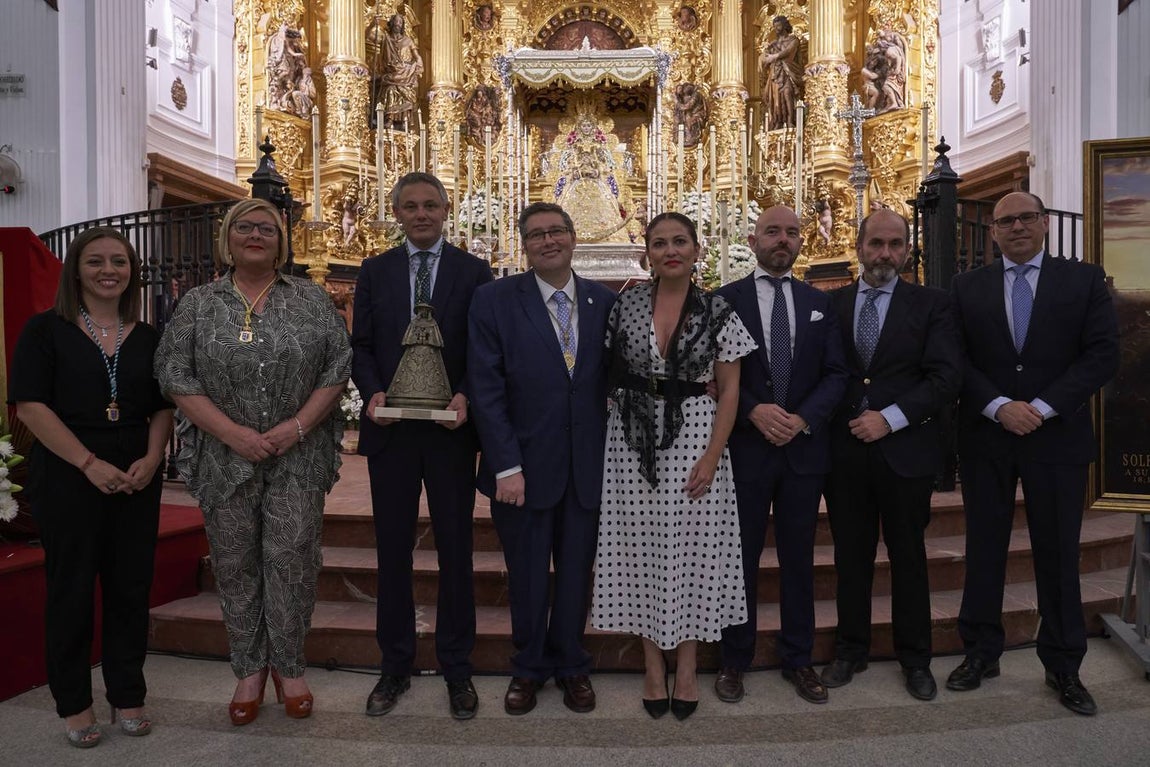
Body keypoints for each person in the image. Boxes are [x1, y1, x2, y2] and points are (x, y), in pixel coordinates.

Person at [154, 198, 351, 725]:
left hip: (297, 457)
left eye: (267, 227)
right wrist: (233, 434)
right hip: (225, 459)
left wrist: (297, 427)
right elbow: (175, 375)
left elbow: (337, 367)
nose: (256, 235)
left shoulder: (310, 299)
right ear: (228, 237)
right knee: (236, 562)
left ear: (282, 240)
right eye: (245, 226)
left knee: (291, 559)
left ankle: (290, 666)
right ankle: (247, 668)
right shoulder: (199, 303)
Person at [946, 192, 1120, 715]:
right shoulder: (965, 286)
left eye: (1026, 218)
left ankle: (1064, 666)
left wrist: (1040, 408)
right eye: (1005, 221)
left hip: (1056, 437)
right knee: (985, 549)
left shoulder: (1083, 279)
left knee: (1059, 552)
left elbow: (1102, 354)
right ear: (992, 232)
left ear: (1044, 223)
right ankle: (980, 652)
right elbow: (955, 358)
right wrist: (999, 406)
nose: (1017, 226)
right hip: (987, 436)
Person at [10, 228, 173, 748]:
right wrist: (88, 463)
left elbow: (164, 406)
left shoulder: (146, 335)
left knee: (130, 590)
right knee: (72, 591)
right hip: (69, 473)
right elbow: (31, 406)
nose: (109, 270)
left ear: (132, 272)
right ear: (76, 269)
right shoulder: (45, 330)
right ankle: (75, 703)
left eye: (120, 262)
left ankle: (128, 694)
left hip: (136, 478)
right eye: (97, 261)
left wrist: (152, 458)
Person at [590, 212, 755, 721]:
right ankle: (651, 667)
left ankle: (685, 667)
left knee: (692, 553)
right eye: (659, 243)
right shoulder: (625, 305)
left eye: (679, 241)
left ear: (697, 248)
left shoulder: (719, 310)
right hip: (630, 441)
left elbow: (729, 391)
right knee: (639, 550)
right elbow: (605, 373)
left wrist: (712, 455)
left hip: (697, 437)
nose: (670, 251)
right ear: (647, 253)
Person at [352, 172, 493, 720]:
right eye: (409, 206)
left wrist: (465, 396)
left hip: (450, 436)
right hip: (392, 434)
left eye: (430, 205)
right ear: (397, 213)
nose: (420, 214)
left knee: (456, 551)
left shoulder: (474, 272)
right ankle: (395, 666)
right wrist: (374, 390)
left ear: (446, 209)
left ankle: (458, 668)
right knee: (392, 552)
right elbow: (360, 345)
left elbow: (484, 349)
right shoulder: (375, 270)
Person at [468, 202, 616, 716]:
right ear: (524, 245)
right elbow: (486, 389)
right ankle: (528, 668)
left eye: (557, 232)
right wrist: (506, 466)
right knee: (527, 575)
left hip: (587, 470)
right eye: (536, 235)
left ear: (575, 238)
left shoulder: (605, 301)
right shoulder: (494, 300)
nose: (548, 241)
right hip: (522, 471)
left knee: (577, 573)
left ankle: (572, 665)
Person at [821, 209, 963, 701]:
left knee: (909, 559)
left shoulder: (932, 305)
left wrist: (891, 417)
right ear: (858, 246)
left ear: (907, 249)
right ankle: (850, 650)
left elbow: (946, 377)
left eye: (895, 244)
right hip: (844, 456)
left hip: (906, 452)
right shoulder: (831, 305)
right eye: (876, 243)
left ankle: (915, 659)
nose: (885, 253)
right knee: (850, 559)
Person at [714, 205, 848, 705]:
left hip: (803, 451)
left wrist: (803, 418)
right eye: (773, 231)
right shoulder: (724, 301)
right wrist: (753, 411)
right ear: (753, 240)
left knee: (799, 560)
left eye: (792, 233)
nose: (783, 240)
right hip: (746, 451)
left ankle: (799, 659)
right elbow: (714, 375)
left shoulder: (820, 302)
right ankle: (734, 659)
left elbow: (837, 373)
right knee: (739, 560)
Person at [376, 14, 424, 129]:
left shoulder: (408, 40)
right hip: (392, 73)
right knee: (390, 90)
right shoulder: (386, 39)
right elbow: (380, 57)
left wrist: (419, 66)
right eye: (396, 22)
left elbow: (417, 56)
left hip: (406, 72)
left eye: (400, 23)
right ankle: (390, 118)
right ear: (392, 23)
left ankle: (404, 121)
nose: (398, 24)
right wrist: (375, 24)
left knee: (406, 94)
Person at [760, 16, 802, 130]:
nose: (776, 29)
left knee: (788, 93)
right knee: (775, 97)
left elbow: (788, 51)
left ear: (784, 25)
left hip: (788, 70)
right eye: (774, 27)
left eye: (778, 26)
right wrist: (764, 57)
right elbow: (764, 58)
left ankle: (790, 120)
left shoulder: (793, 40)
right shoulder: (773, 44)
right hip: (775, 73)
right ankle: (778, 121)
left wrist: (774, 57)